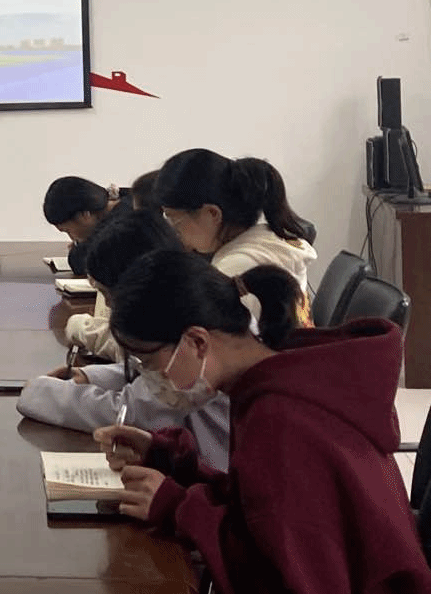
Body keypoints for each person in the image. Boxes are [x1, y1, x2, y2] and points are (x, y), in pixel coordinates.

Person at [94, 250, 431, 594]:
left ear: (197, 342)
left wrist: (177, 508)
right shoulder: (280, 377)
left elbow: (276, 576)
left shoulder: (280, 419)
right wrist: (168, 458)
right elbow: (260, 511)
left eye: (151, 364)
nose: (151, 379)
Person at [18, 211, 232, 470]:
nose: (109, 306)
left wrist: (39, 391)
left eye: (109, 295)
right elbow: (152, 375)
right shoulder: (197, 304)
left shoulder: (190, 333)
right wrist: (92, 376)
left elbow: (134, 411)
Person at [156, 149, 316, 319]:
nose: (172, 230)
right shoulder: (267, 236)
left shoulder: (236, 270)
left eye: (174, 219)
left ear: (212, 213)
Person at [42, 175, 128, 277]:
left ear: (84, 214)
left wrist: (79, 249)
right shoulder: (125, 199)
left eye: (68, 231)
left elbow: (83, 261)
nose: (72, 238)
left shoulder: (128, 219)